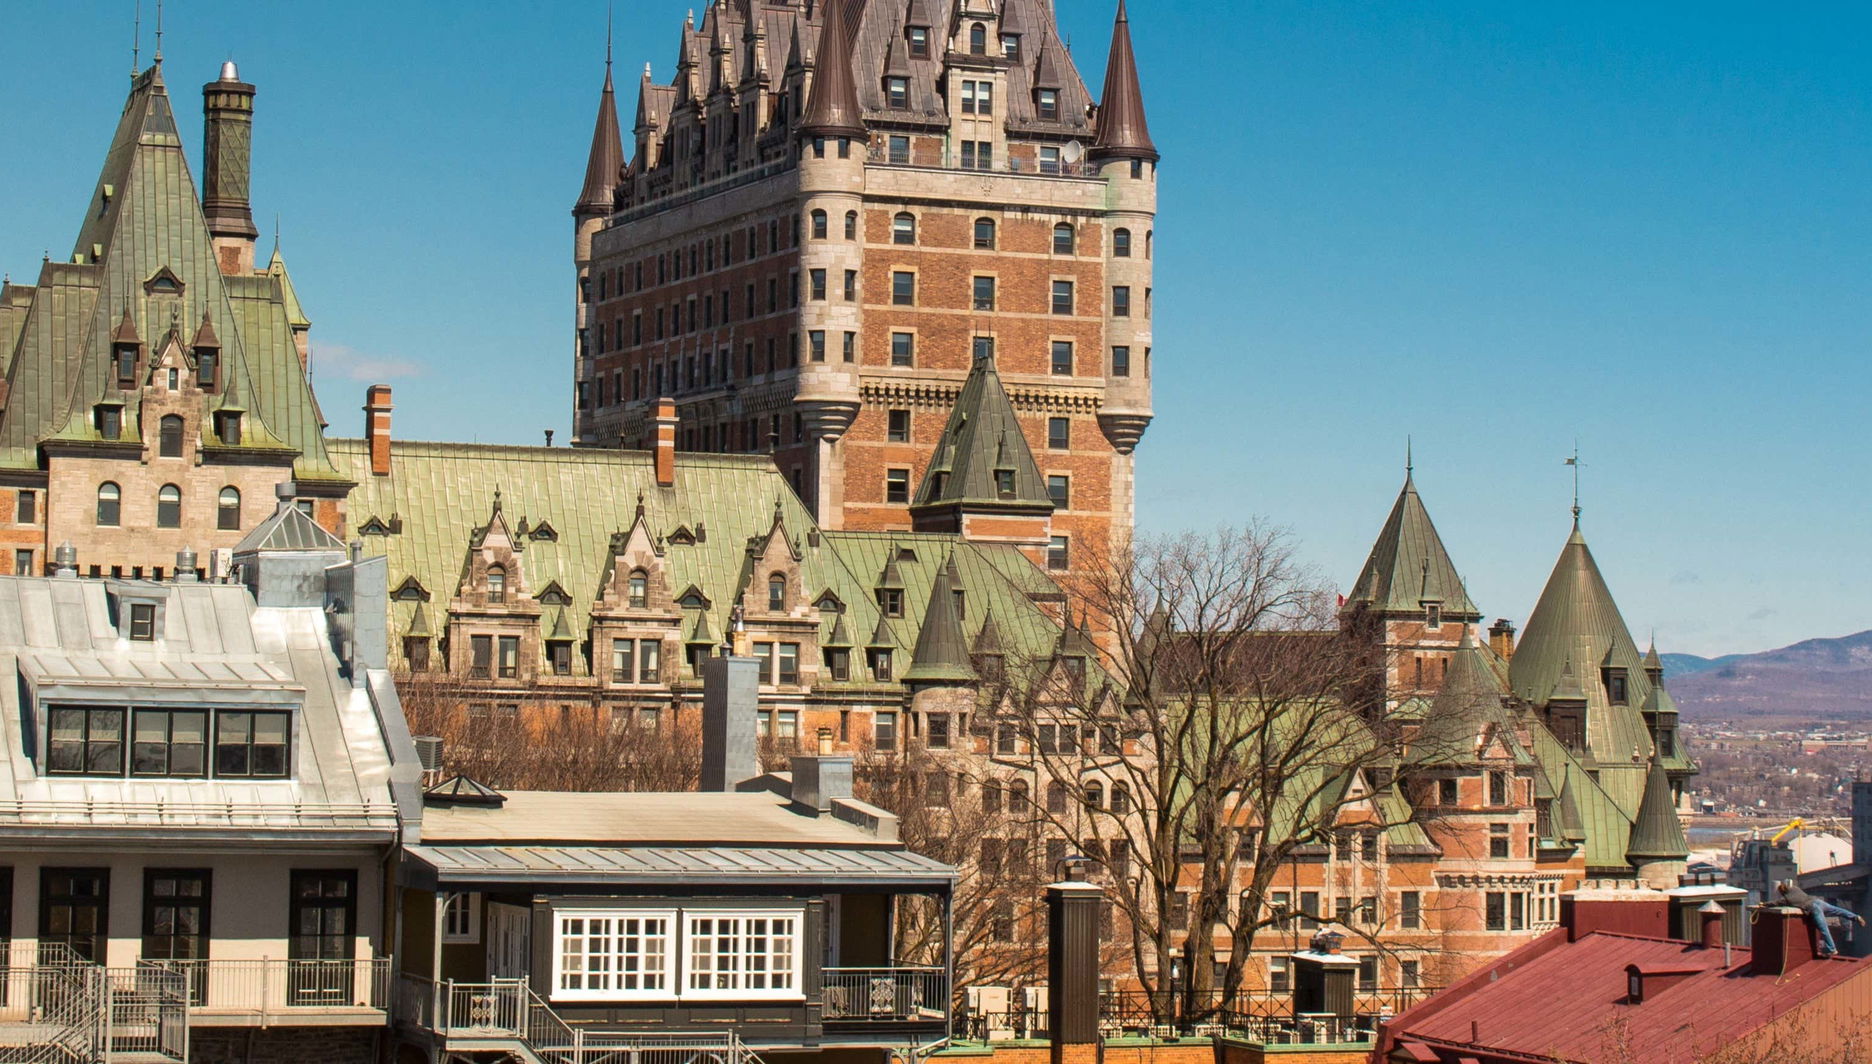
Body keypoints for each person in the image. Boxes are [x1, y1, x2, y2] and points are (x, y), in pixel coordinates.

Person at [1778, 880, 1865, 957]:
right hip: (1818, 902)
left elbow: (1775, 903)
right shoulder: (1795, 889)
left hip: (1813, 908)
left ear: (1782, 893)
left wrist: (1765, 904)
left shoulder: (1786, 899)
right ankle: (1856, 917)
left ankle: (1832, 949)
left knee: (1824, 929)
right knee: (1838, 911)